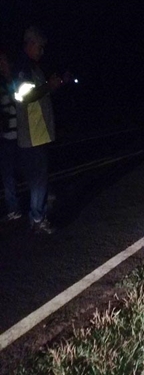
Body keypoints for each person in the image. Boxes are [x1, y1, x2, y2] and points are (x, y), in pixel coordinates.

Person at [13, 26, 64, 234]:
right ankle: (37, 217)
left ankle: (37, 214)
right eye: (40, 47)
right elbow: (24, 97)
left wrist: (52, 86)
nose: (42, 51)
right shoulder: (23, 68)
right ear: (31, 44)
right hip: (33, 135)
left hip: (38, 134)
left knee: (39, 178)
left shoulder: (33, 67)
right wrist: (49, 86)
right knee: (38, 179)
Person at [0, 47, 22, 222]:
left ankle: (44, 197)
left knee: (31, 171)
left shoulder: (17, 80)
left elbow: (20, 103)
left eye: (4, 61)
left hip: (22, 136)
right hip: (7, 137)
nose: (1, 65)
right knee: (7, 175)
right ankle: (13, 209)